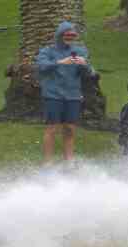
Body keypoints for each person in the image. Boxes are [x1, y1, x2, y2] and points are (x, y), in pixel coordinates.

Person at [35, 21, 95, 164]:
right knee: (52, 128)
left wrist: (84, 65)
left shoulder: (81, 51)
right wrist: (60, 62)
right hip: (53, 95)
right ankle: (48, 163)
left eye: (72, 35)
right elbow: (42, 66)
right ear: (59, 35)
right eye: (67, 35)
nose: (70, 37)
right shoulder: (47, 51)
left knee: (70, 128)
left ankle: (69, 162)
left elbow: (90, 73)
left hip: (73, 95)